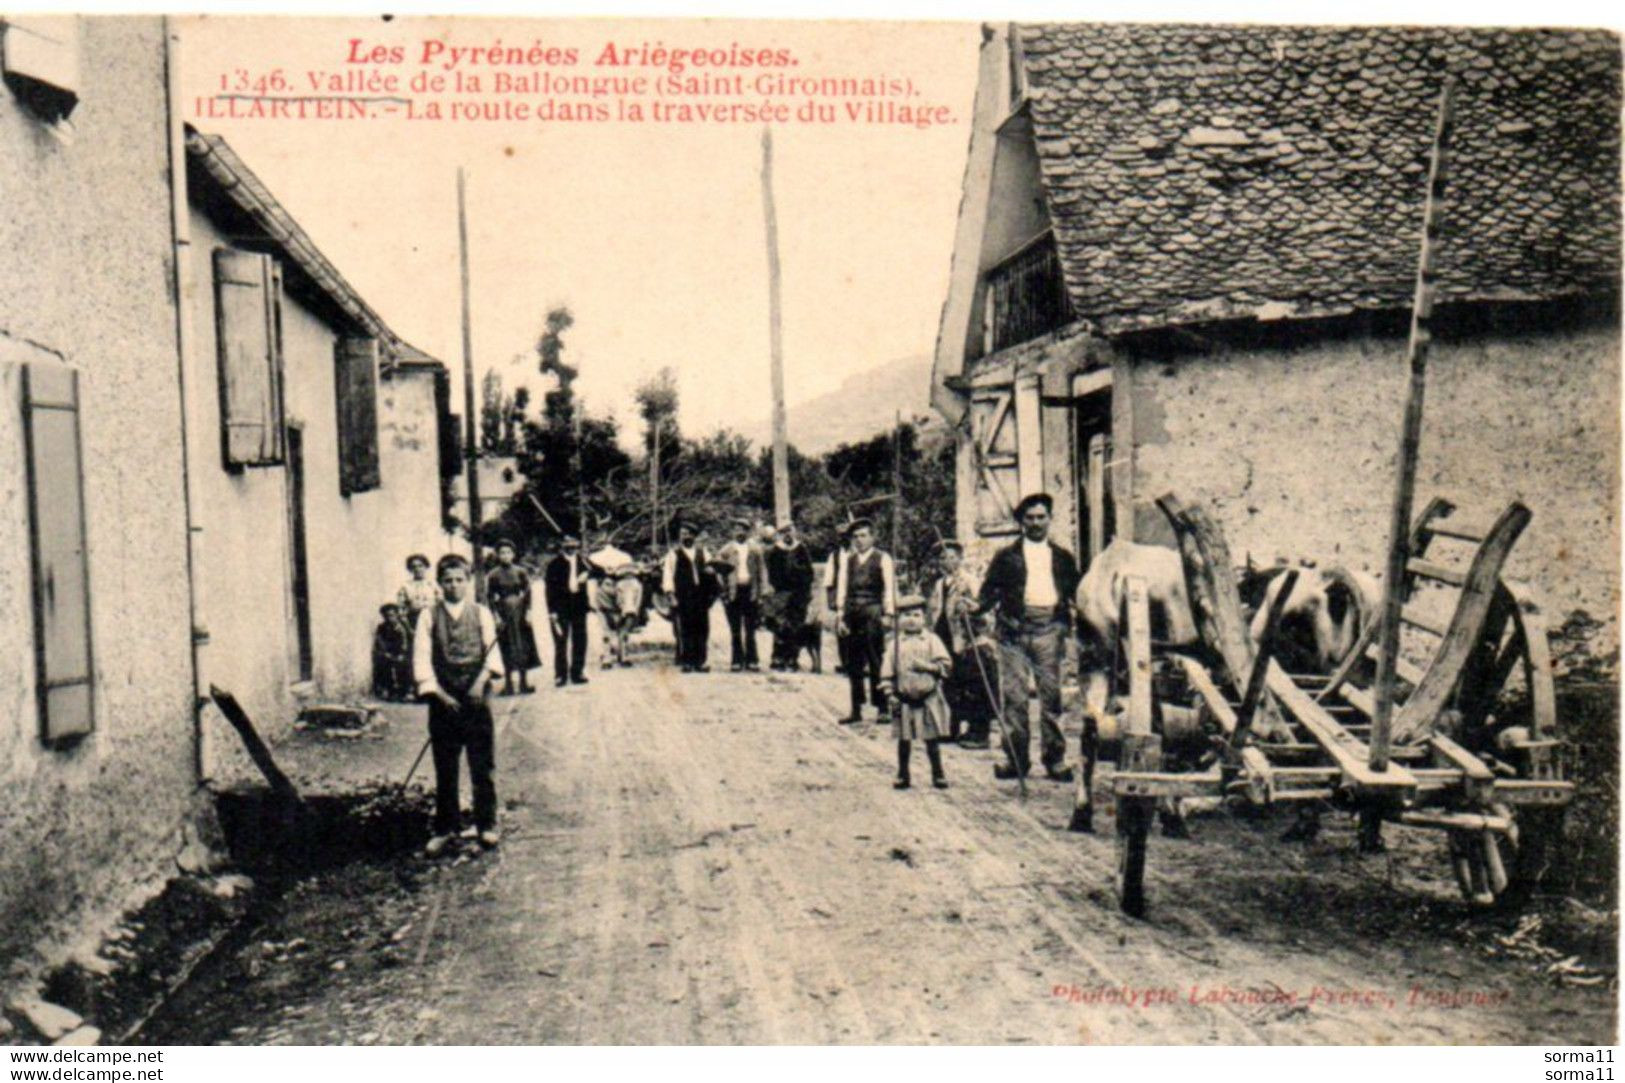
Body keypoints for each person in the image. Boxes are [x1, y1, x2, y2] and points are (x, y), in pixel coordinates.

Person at [977, 493, 1082, 782]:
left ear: (1050, 519)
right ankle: (1016, 760)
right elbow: (988, 593)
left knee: (1051, 699)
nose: (1036, 523)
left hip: (1050, 631)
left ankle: (1055, 759)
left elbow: (1077, 595)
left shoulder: (1062, 558)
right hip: (1013, 633)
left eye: (1041, 517)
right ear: (1021, 521)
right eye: (1030, 518)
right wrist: (974, 607)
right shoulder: (1006, 557)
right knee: (1014, 700)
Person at [412, 553, 505, 856]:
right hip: (444, 701)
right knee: (446, 766)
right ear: (439, 583)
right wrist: (440, 694)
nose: (453, 585)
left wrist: (480, 684)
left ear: (468, 581)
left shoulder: (481, 613)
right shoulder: (428, 616)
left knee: (482, 763)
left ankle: (487, 825)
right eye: (447, 580)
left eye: (459, 580)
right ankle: (445, 828)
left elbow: (492, 657)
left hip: (476, 700)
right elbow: (422, 659)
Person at [926, 541, 996, 748]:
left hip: (967, 640)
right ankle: (951, 727)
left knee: (974, 685)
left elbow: (985, 612)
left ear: (960, 558)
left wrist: (971, 609)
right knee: (950, 684)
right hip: (945, 640)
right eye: (942, 558)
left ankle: (979, 732)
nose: (947, 562)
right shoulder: (940, 584)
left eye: (952, 557)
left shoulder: (970, 581)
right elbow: (935, 612)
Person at [880, 594, 952, 790]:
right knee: (904, 740)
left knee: (931, 740)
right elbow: (886, 674)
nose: (911, 619)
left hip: (928, 697)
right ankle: (903, 774)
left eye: (916, 615)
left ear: (924, 618)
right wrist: (890, 694)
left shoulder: (931, 640)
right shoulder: (894, 644)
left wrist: (928, 667)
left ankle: (938, 773)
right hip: (903, 699)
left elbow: (946, 665)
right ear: (898, 620)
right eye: (905, 615)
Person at [834, 518, 896, 724]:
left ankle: (882, 708)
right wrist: (840, 616)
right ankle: (856, 708)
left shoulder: (883, 558)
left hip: (873, 611)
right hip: (852, 613)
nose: (859, 540)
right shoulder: (848, 560)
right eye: (855, 536)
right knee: (853, 662)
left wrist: (888, 614)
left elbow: (889, 588)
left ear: (872, 537)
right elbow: (842, 588)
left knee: (876, 659)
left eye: (863, 535)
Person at [487, 539, 540, 695]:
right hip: (504, 612)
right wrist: (496, 616)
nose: (505, 556)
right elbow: (490, 597)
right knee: (506, 645)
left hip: (520, 611)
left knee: (523, 645)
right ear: (497, 555)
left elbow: (528, 593)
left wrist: (528, 612)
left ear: (513, 554)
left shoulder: (520, 571)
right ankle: (509, 684)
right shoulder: (493, 574)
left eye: (508, 552)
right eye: (502, 553)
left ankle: (524, 682)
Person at [661, 519, 712, 673]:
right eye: (682, 534)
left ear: (694, 536)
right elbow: (668, 575)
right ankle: (687, 661)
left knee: (702, 627)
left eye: (688, 534)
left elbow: (712, 569)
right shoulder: (673, 554)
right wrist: (671, 594)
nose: (685, 536)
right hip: (684, 595)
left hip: (700, 595)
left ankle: (700, 661)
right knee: (686, 628)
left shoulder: (703, 553)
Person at [717, 517, 766, 671]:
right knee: (735, 629)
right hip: (733, 592)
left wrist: (761, 592)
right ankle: (736, 660)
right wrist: (723, 591)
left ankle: (752, 660)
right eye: (737, 529)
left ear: (748, 531)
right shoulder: (726, 550)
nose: (739, 532)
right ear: (733, 531)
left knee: (750, 629)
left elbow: (762, 571)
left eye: (743, 529)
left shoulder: (755, 549)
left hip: (750, 591)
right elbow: (719, 572)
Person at [765, 522, 815, 671]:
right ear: (781, 534)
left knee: (796, 626)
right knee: (780, 625)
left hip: (799, 594)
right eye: (784, 532)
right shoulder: (776, 550)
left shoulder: (801, 549)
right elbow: (771, 572)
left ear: (794, 532)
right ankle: (778, 658)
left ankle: (792, 658)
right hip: (782, 593)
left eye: (790, 531)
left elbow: (809, 572)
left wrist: (802, 584)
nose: (787, 535)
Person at [544, 535, 592, 687]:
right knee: (560, 641)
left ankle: (577, 672)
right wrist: (552, 611)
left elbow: (601, 571)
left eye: (574, 545)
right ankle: (560, 675)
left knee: (580, 640)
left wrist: (587, 574)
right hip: (560, 608)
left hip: (579, 607)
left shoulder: (584, 562)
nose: (571, 548)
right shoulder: (554, 565)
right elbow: (549, 590)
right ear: (562, 546)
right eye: (567, 546)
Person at [824, 523, 854, 675]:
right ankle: (845, 662)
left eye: (846, 536)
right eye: (841, 537)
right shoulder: (834, 556)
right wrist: (831, 599)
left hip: (855, 595)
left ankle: (857, 663)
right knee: (841, 629)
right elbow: (829, 580)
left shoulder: (857, 553)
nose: (844, 540)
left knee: (857, 630)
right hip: (840, 597)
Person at [372, 603, 413, 701]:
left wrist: (402, 653)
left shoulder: (402, 626)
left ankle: (407, 691)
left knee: (404, 665)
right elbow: (379, 641)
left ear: (396, 615)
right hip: (389, 653)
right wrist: (385, 653)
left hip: (403, 653)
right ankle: (389, 690)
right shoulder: (381, 627)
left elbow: (405, 641)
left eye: (392, 615)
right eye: (386, 616)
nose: (389, 618)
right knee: (383, 664)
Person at [397, 553, 440, 627]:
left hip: (432, 620)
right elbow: (401, 609)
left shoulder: (434, 585)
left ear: (426, 567)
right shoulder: (406, 587)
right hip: (413, 621)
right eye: (414, 567)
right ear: (410, 569)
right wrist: (408, 628)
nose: (417, 569)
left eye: (420, 566)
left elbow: (441, 603)